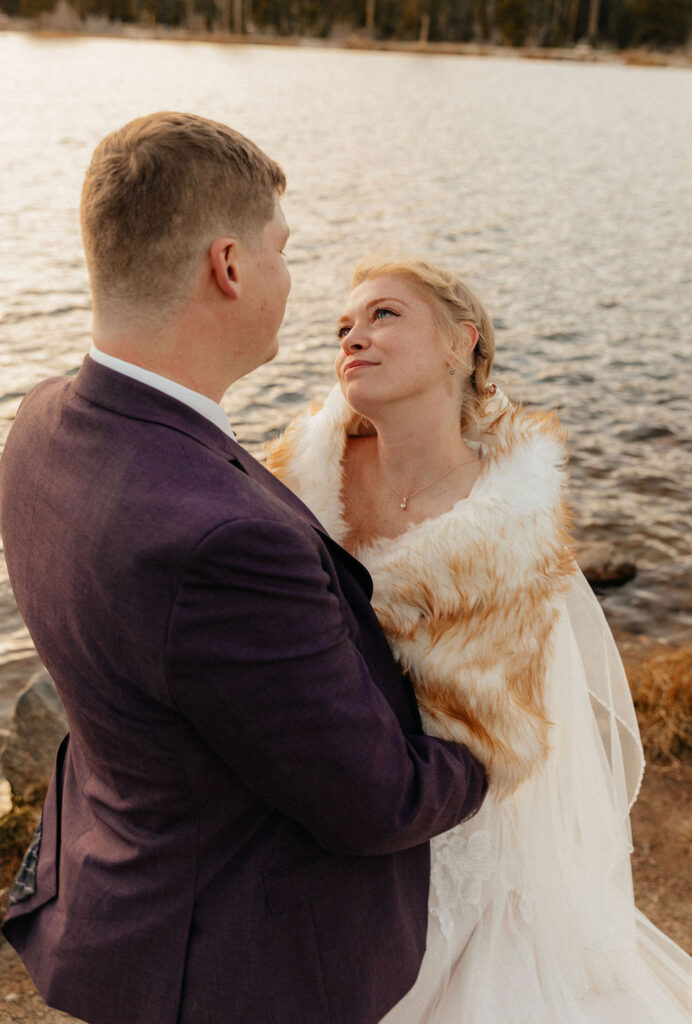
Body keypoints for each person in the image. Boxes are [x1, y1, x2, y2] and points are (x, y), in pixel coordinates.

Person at [0, 116, 488, 1024]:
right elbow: (377, 802)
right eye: (281, 251)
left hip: (116, 894)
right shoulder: (225, 540)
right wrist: (489, 753)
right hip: (233, 970)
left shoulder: (38, 425)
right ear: (228, 267)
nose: (289, 280)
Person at [267, 256, 692, 1023]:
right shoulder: (296, 481)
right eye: (343, 326)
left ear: (460, 344)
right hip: (310, 811)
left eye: (384, 315)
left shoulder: (509, 538)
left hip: (450, 837)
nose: (353, 336)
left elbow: (499, 740)